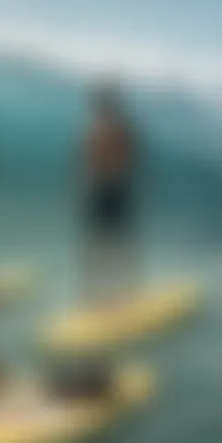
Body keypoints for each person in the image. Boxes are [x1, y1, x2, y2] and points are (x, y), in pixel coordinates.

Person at [81, 78, 139, 305]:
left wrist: (111, 173)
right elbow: (87, 163)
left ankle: (120, 294)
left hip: (113, 190)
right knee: (101, 244)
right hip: (103, 190)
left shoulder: (116, 129)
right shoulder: (94, 130)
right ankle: (100, 295)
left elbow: (129, 159)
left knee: (114, 244)